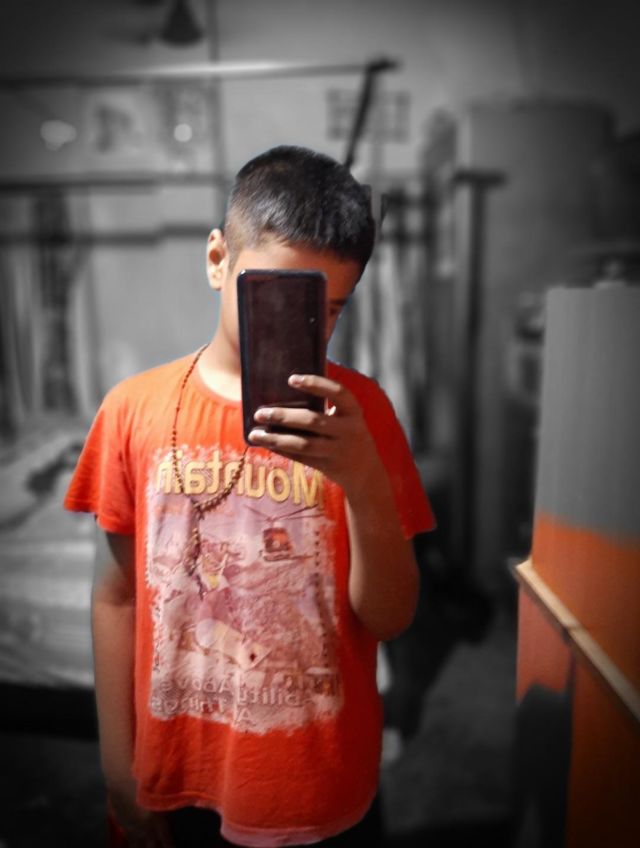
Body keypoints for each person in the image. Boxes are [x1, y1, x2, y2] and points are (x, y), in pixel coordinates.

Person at [64, 145, 436, 848]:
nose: (298, 330)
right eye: (273, 300)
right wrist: (117, 766)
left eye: (325, 312)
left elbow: (390, 617)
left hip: (317, 784)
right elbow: (115, 596)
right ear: (217, 260)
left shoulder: (363, 415)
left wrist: (362, 482)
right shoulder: (132, 410)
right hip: (174, 773)